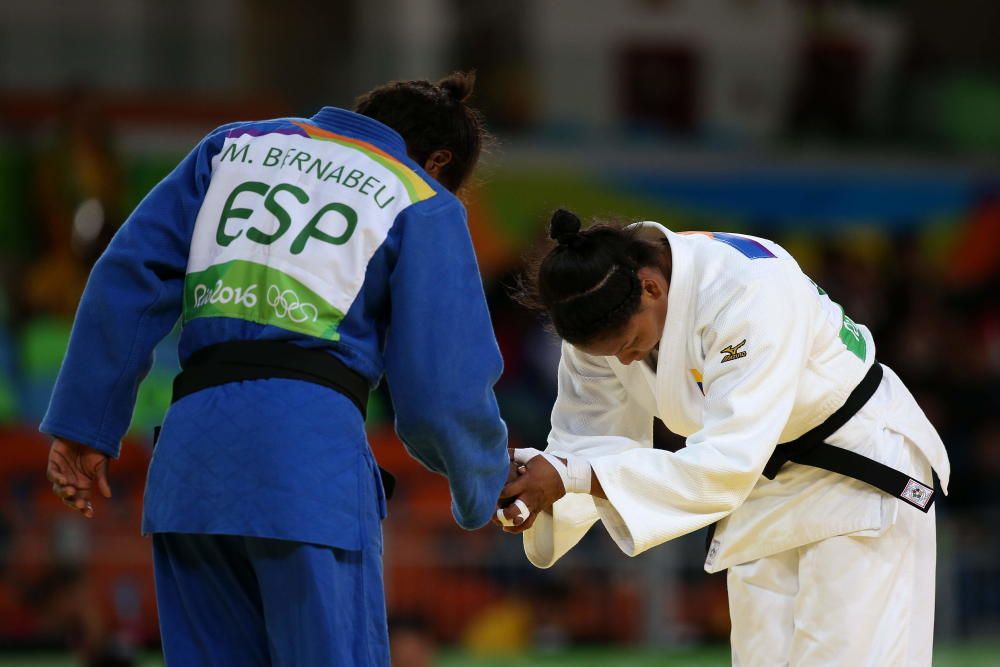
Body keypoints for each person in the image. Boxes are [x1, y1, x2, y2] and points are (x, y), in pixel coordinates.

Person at [42, 72, 511, 666]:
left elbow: (127, 277)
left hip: (191, 470)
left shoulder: (232, 146)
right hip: (307, 470)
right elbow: (440, 392)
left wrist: (85, 425)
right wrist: (484, 483)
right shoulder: (421, 197)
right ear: (439, 161)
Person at [497, 209, 950, 666]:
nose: (627, 361)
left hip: (853, 469)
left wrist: (570, 477)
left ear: (652, 288)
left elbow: (727, 460)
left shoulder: (747, 287)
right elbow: (584, 445)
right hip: (761, 492)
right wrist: (534, 494)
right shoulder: (603, 309)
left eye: (629, 342)